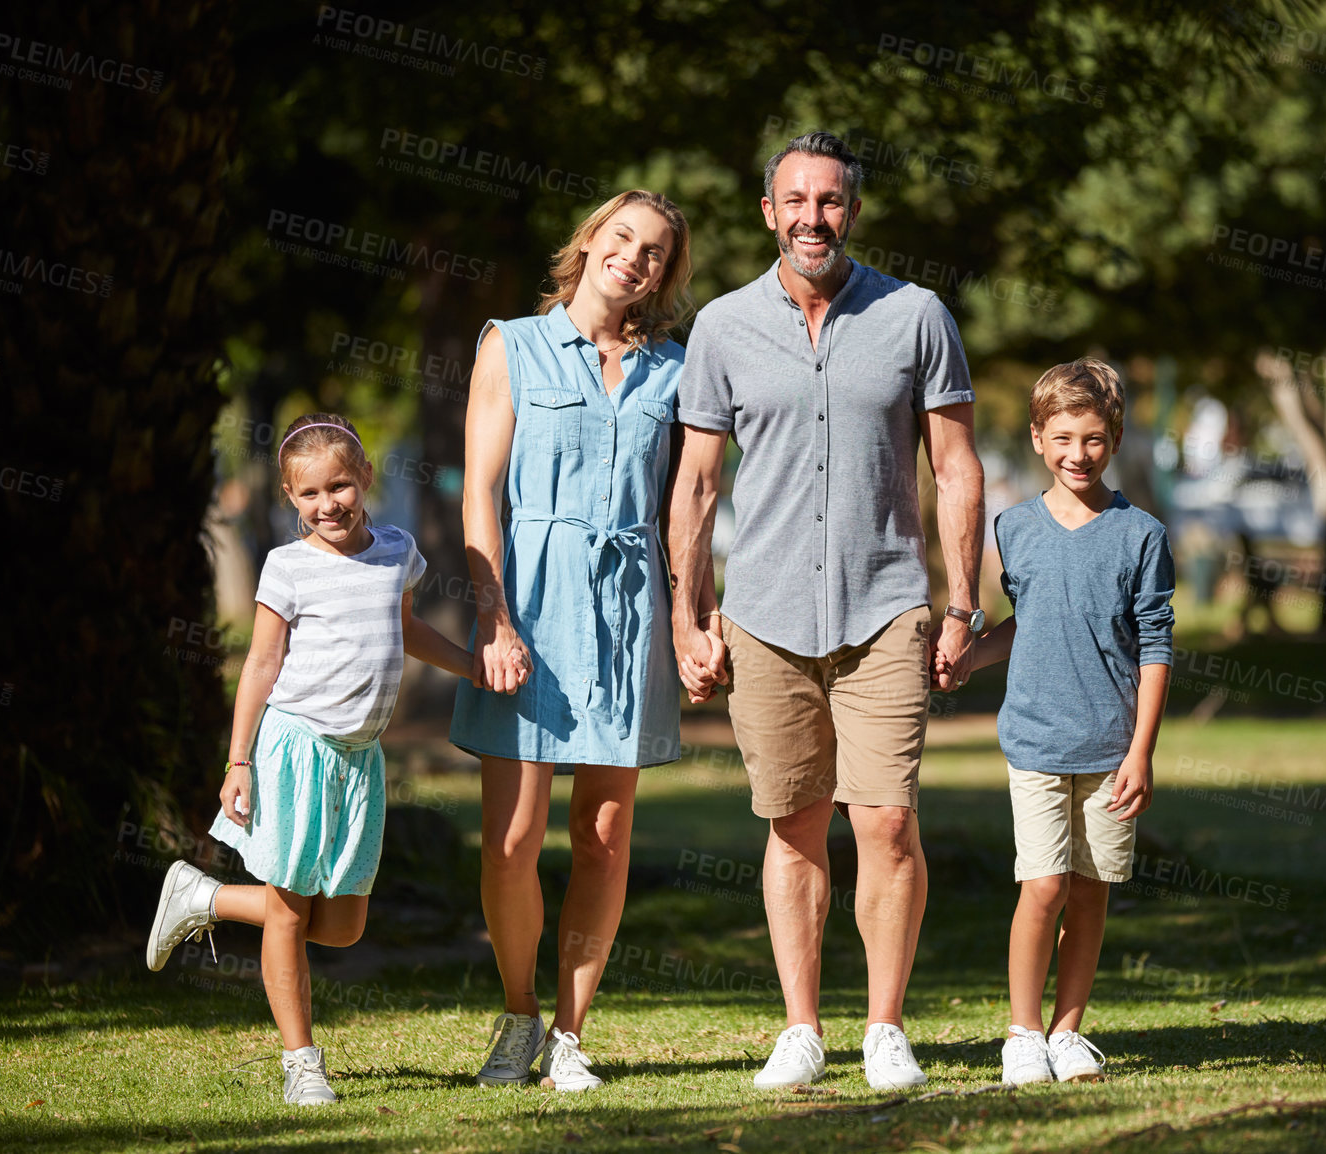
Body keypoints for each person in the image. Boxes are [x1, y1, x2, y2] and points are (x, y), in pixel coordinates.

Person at [668, 132, 985, 1091]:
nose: (814, 217)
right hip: (761, 615)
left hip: (886, 607)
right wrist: (690, 616)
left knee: (886, 823)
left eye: (832, 200)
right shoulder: (721, 328)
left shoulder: (915, 315)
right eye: (796, 200)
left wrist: (964, 605)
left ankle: (884, 1027)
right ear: (769, 212)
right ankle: (801, 1029)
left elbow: (957, 468)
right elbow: (694, 488)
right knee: (794, 822)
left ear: (853, 209)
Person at [145, 413, 477, 1106]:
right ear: (291, 500)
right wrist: (239, 763)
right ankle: (303, 1064)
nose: (328, 504)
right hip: (295, 749)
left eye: (340, 486)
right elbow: (262, 664)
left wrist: (473, 667)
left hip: (360, 761)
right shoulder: (287, 566)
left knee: (344, 925)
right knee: (292, 915)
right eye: (309, 494)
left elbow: (406, 627)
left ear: (365, 481)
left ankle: (206, 896)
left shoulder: (397, 551)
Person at [450, 190, 697, 1092]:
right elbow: (480, 493)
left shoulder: (675, 370)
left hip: (627, 614)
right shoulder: (507, 344)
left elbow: (688, 510)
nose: (634, 259)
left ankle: (568, 1034)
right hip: (530, 604)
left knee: (601, 838)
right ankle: (517, 1012)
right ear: (589, 242)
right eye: (622, 238)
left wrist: (692, 616)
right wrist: (492, 619)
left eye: (655, 252)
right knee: (511, 841)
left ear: (664, 275)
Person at [956, 360, 1174, 1086]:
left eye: (1091, 438)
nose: (1076, 454)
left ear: (1112, 437)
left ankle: (1068, 1031)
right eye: (1061, 438)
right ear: (1036, 439)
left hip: (1112, 750)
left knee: (1090, 889)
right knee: (1043, 885)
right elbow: (1026, 622)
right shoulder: (1013, 528)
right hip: (1035, 741)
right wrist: (964, 659)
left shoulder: (1140, 534)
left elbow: (1153, 646)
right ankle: (1021, 1034)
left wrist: (1140, 753)